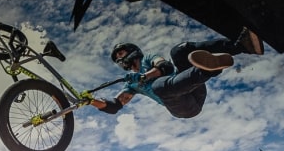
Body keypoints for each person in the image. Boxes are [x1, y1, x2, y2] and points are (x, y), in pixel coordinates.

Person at [90, 27, 263, 119]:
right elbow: (115, 105)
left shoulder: (148, 59)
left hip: (193, 88)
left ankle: (242, 46)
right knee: (158, 87)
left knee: (178, 51)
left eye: (121, 54)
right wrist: (90, 101)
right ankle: (206, 69)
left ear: (131, 51)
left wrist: (144, 76)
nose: (119, 59)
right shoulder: (131, 85)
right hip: (184, 108)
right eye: (117, 59)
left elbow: (165, 67)